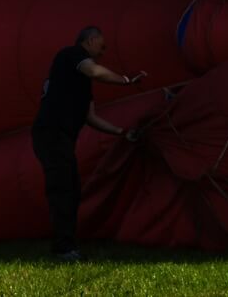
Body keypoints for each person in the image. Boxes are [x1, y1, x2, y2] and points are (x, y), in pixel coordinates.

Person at [30, 26, 146, 260]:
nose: (102, 53)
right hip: (52, 134)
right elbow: (95, 71)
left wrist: (121, 132)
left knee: (71, 189)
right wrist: (126, 80)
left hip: (60, 137)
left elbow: (90, 117)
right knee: (63, 189)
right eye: (101, 47)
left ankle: (67, 245)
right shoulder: (70, 55)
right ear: (90, 40)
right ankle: (64, 249)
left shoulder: (79, 82)